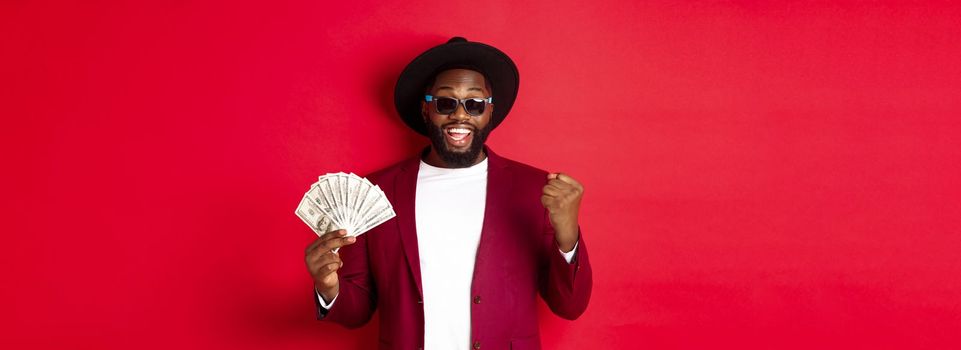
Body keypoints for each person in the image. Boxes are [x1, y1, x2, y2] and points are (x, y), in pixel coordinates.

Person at [304, 37, 593, 350]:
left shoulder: (536, 189)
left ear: (489, 112)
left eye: (474, 103)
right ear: (426, 109)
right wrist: (328, 286)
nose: (460, 115)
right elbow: (357, 312)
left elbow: (570, 306)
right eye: (445, 102)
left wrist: (568, 234)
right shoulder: (377, 192)